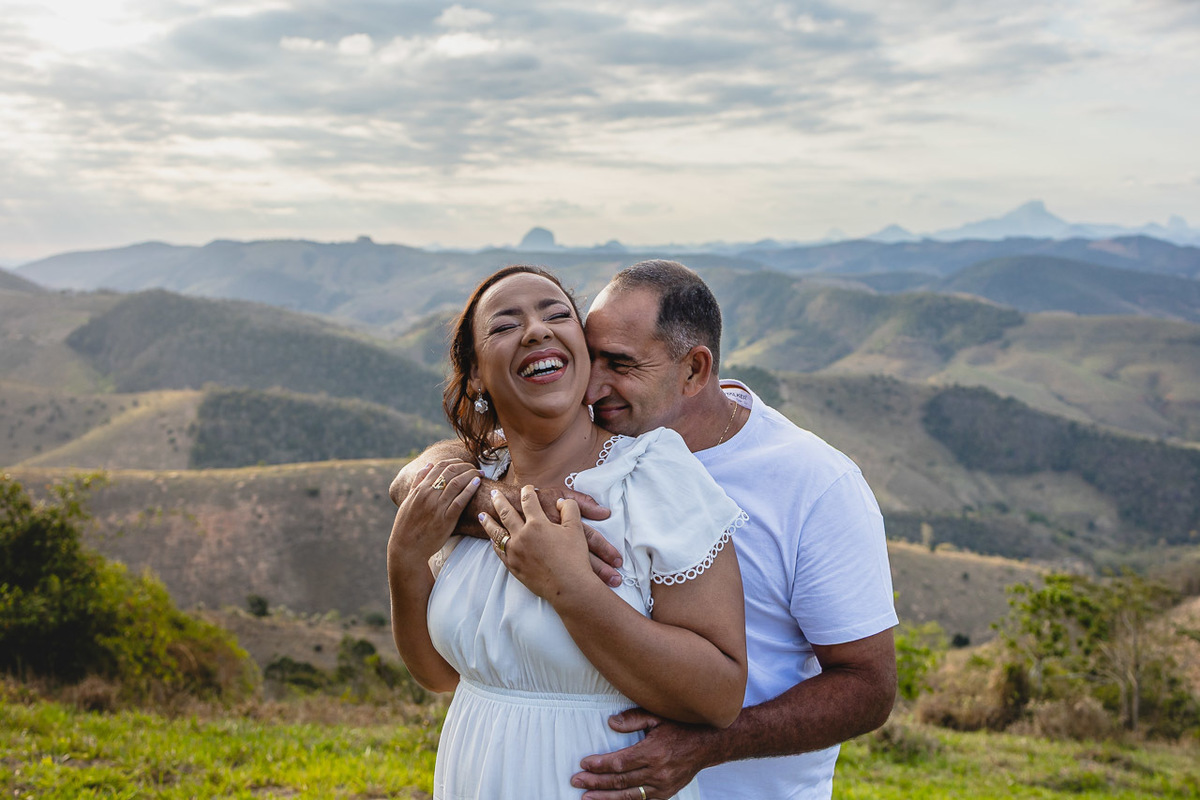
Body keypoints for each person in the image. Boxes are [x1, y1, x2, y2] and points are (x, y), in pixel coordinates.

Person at [392, 259, 898, 800]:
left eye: (620, 364)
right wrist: (495, 509)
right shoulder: (514, 472)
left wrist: (709, 745)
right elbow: (431, 473)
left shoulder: (811, 482)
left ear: (694, 371)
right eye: (593, 355)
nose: (593, 385)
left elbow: (866, 685)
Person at [386, 264, 749, 800]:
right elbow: (442, 675)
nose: (536, 330)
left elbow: (719, 695)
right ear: (477, 374)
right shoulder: (472, 488)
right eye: (505, 325)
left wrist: (569, 588)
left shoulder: (652, 473)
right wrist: (404, 562)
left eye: (558, 315)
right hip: (474, 774)